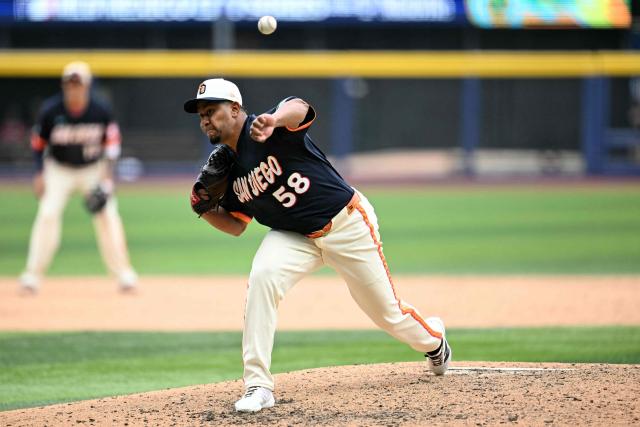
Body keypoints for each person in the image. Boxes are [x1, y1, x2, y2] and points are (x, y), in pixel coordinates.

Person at [184, 78, 451, 413]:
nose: (205, 119)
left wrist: (275, 120)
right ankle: (258, 385)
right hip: (293, 236)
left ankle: (434, 341)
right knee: (263, 277)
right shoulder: (226, 171)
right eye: (201, 115)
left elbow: (301, 107)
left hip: (345, 224)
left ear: (236, 109)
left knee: (387, 314)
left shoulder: (267, 127)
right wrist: (204, 209)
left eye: (212, 110)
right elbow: (237, 224)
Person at [19, 61, 138, 293]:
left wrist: (107, 177)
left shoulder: (100, 110)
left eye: (78, 84)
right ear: (64, 86)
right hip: (59, 169)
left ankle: (124, 273)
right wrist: (39, 173)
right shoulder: (51, 110)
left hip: (93, 169)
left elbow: (112, 144)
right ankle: (32, 275)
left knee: (108, 216)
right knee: (47, 214)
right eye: (70, 84)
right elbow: (38, 143)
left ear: (87, 86)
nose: (74, 88)